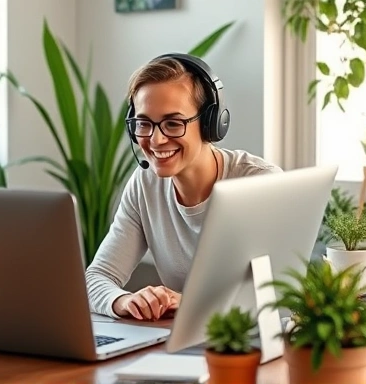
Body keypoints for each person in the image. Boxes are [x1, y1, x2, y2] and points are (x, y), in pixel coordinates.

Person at [85, 53, 282, 322]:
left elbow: (276, 296)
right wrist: (124, 300)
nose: (156, 139)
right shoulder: (145, 184)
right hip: (181, 343)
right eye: (144, 123)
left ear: (210, 123)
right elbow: (97, 277)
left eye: (173, 123)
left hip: (250, 347)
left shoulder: (261, 183)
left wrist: (190, 303)